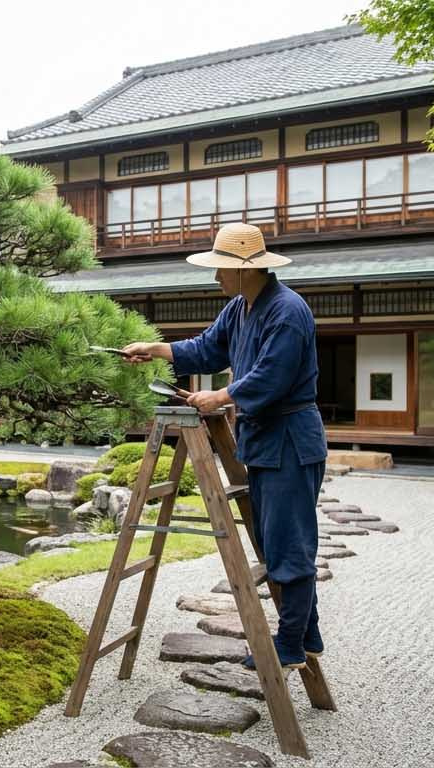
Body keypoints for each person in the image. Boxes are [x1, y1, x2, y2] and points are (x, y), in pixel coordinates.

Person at [121, 222, 326, 670]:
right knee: (272, 542)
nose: (215, 277)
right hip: (262, 438)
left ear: (244, 270)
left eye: (221, 269)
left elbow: (273, 375)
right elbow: (206, 349)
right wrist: (154, 350)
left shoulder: (287, 311)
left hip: (290, 438)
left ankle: (291, 641)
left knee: (289, 542)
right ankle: (306, 632)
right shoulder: (239, 308)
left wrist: (221, 396)